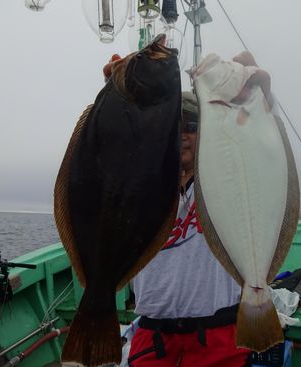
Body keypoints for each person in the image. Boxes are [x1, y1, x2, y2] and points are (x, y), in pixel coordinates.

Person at [104, 51, 273, 367]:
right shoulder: (141, 183)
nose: (182, 134)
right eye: (173, 126)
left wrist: (256, 92)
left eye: (192, 125)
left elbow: (256, 138)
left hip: (219, 335)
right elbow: (116, 144)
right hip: (152, 337)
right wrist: (119, 96)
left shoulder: (226, 181)